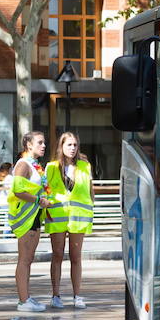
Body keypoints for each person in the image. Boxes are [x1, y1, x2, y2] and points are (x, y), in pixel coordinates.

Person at [44, 131, 94, 309]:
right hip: (57, 217)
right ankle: (55, 295)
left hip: (78, 218)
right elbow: (46, 191)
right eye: (69, 145)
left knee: (76, 257)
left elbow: (89, 191)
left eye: (75, 145)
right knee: (57, 255)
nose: (72, 148)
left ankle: (77, 295)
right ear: (61, 146)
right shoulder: (51, 167)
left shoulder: (84, 166)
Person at [8, 131, 53, 312]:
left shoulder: (35, 165)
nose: (43, 146)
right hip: (25, 218)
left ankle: (26, 297)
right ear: (29, 145)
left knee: (29, 259)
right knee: (24, 259)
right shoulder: (23, 164)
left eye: (44, 142)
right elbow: (17, 190)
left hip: (34, 217)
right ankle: (23, 300)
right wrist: (38, 200)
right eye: (40, 143)